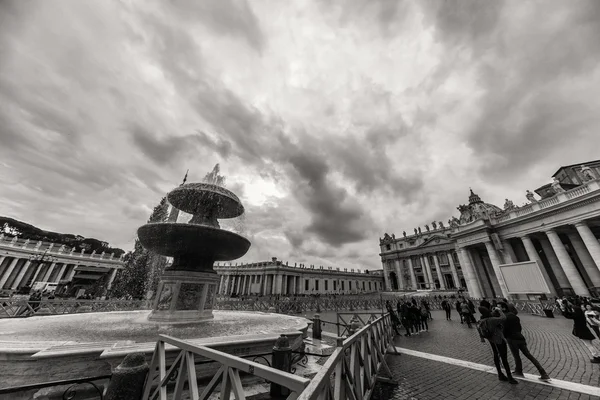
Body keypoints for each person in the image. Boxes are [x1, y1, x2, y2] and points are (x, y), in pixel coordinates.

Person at [499, 302, 550, 381]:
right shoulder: (514, 316)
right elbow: (519, 328)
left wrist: (504, 337)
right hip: (520, 337)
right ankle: (543, 372)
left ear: (504, 308)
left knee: (516, 356)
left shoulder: (504, 318)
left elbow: (504, 330)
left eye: (499, 307)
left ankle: (519, 371)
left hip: (511, 339)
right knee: (529, 355)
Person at [478, 306, 518, 384]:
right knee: (504, 358)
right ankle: (509, 376)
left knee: (496, 355)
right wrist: (500, 311)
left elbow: (479, 329)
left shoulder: (481, 320)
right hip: (499, 339)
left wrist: (481, 338)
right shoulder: (492, 320)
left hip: (491, 340)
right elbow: (503, 318)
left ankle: (500, 374)